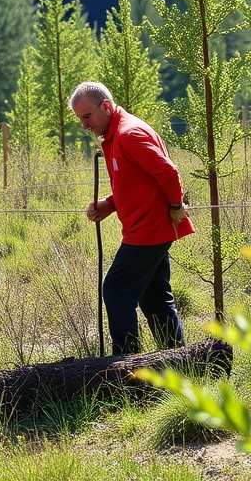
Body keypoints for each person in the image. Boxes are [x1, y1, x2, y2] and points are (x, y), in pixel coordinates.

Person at [69, 81, 193, 356]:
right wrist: (110, 204)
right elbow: (137, 182)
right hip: (148, 228)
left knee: (116, 290)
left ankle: (127, 369)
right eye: (80, 119)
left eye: (87, 116)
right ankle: (179, 362)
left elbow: (168, 173)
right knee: (156, 300)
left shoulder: (129, 134)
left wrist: (175, 205)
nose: (85, 125)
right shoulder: (116, 135)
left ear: (106, 106)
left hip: (148, 230)